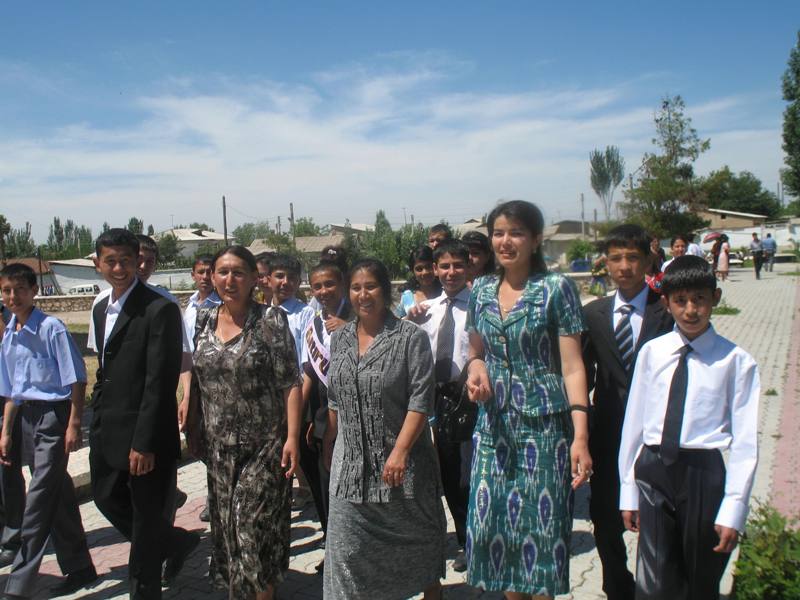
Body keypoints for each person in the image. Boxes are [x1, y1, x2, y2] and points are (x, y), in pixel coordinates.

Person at [464, 200, 592, 599]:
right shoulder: (481, 289)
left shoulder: (557, 289)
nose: (505, 241)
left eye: (516, 232)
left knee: (541, 533)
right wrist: (476, 369)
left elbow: (573, 367)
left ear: (536, 239)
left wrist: (580, 437)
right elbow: (475, 351)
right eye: (498, 232)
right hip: (494, 428)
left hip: (544, 428)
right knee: (493, 529)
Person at [619, 255, 760, 599]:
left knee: (699, 579)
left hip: (703, 473)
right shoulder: (653, 352)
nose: (691, 310)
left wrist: (734, 509)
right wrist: (628, 491)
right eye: (680, 301)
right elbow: (634, 424)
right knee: (653, 582)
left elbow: (744, 443)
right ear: (666, 303)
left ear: (716, 298)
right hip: (654, 470)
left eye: (699, 299)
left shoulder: (736, 361)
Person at [322, 258, 446, 600]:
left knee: (419, 551)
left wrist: (401, 451)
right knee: (345, 556)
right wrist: (330, 440)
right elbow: (336, 396)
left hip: (402, 471)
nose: (364, 294)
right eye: (356, 287)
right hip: (350, 471)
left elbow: (421, 400)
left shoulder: (411, 338)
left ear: (386, 289)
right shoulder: (341, 338)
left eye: (371, 286)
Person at [186, 245, 302, 600]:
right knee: (227, 531)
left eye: (239, 272)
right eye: (222, 272)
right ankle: (251, 590)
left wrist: (292, 438)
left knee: (249, 524)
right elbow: (200, 376)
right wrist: (191, 422)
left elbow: (290, 383)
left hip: (264, 447)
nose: (229, 280)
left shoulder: (270, 321)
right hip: (219, 449)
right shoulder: (204, 320)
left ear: (255, 278)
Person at [89, 229, 199, 600]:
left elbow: (159, 381)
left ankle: (146, 591)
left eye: (126, 260)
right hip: (107, 426)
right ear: (97, 263)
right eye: (110, 261)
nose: (118, 268)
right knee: (105, 498)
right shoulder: (102, 306)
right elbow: (105, 367)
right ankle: (173, 543)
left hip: (146, 434)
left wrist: (145, 442)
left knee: (147, 519)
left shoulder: (160, 307)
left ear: (139, 261)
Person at [582, 224, 673, 600]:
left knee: (659, 518)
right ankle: (617, 584)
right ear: (605, 263)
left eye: (633, 258)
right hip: (607, 434)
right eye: (616, 258)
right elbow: (581, 375)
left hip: (658, 434)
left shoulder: (666, 311)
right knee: (605, 517)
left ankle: (659, 586)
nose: (624, 266)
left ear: (648, 260)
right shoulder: (594, 315)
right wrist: (579, 434)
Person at [0, 264, 97, 599]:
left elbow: (76, 379)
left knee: (39, 500)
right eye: (7, 291)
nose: (13, 297)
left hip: (53, 419)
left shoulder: (51, 328)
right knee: (58, 496)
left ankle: (18, 585)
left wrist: (73, 424)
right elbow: (13, 390)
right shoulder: (10, 334)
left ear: (34, 290)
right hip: (26, 418)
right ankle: (81, 566)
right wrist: (7, 432)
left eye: (20, 289)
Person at [405, 240, 473, 573]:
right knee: (450, 476)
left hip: (474, 398)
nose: (450, 272)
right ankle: (465, 541)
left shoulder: (481, 306)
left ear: (469, 267)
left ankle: (483, 538)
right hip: (441, 403)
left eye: (457, 265)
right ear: (434, 270)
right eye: (444, 266)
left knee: (472, 475)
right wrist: (410, 320)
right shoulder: (425, 310)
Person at [300, 261, 353, 571]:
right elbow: (309, 371)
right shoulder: (315, 323)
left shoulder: (359, 315)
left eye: (329, 284)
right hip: (322, 417)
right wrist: (297, 421)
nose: (323, 292)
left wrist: (349, 328)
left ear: (342, 282)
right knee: (326, 484)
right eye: (317, 286)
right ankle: (334, 549)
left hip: (355, 415)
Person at [178, 255, 221, 525]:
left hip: (217, 380)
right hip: (193, 380)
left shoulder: (223, 304)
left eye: (209, 272)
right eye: (200, 272)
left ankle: (215, 497)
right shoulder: (190, 306)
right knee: (197, 440)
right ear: (193, 275)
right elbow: (185, 351)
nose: (205, 277)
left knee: (215, 440)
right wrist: (185, 392)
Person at [267, 254, 314, 369]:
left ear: (299, 282)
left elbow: (308, 358)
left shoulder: (306, 313)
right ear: (269, 280)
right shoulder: (263, 313)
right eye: (279, 276)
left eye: (292, 278)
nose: (285, 282)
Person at [395, 246, 442, 318]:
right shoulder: (407, 296)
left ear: (435, 267)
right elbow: (397, 322)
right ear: (413, 271)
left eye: (428, 267)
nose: (425, 272)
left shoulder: (446, 294)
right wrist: (409, 318)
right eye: (419, 269)